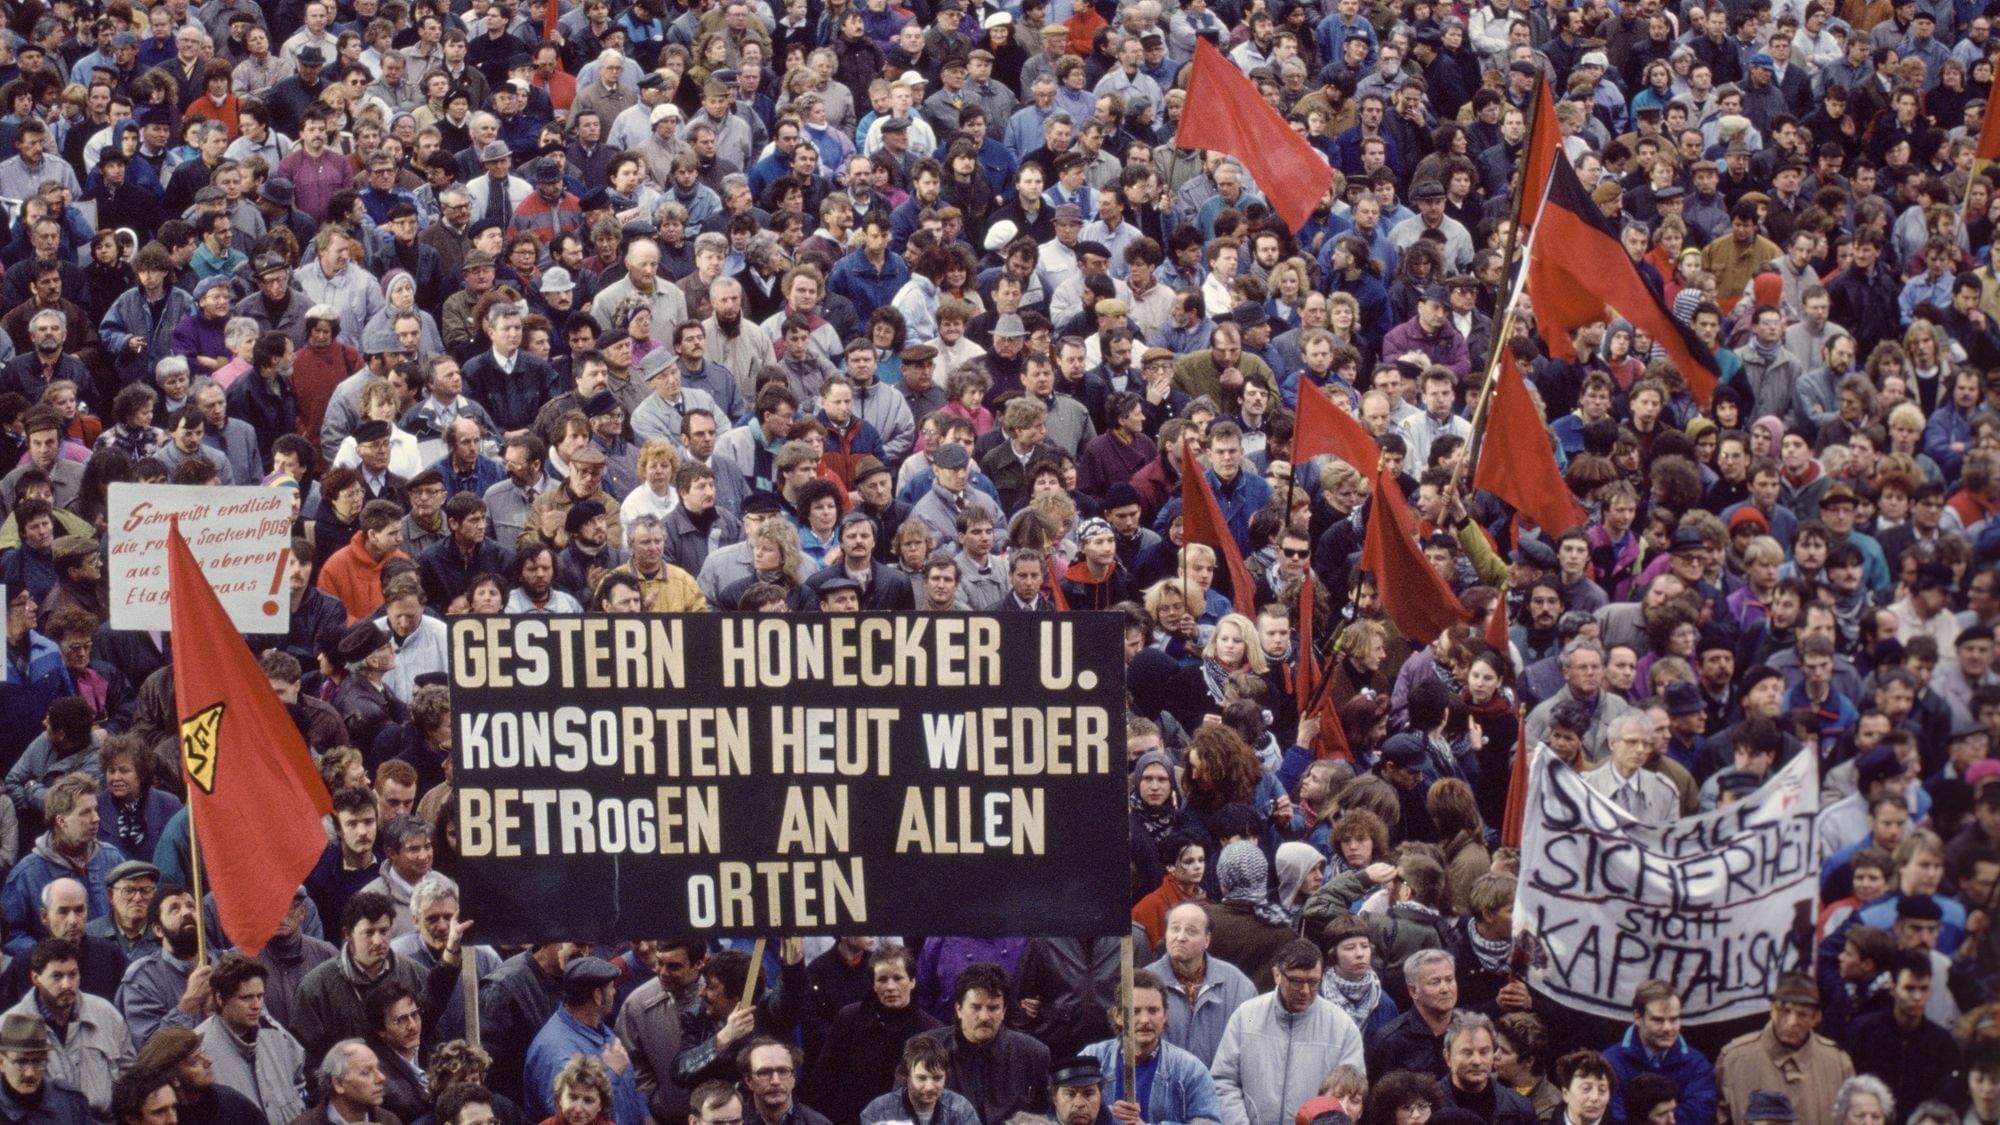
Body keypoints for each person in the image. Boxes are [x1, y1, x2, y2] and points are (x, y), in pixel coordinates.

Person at [1211, 938, 1364, 1125]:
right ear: (1277, 975)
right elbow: (1224, 1081)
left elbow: (1350, 1095)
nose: (1305, 991)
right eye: (1296, 982)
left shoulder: (1343, 1027)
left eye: (1313, 982)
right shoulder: (1246, 1016)